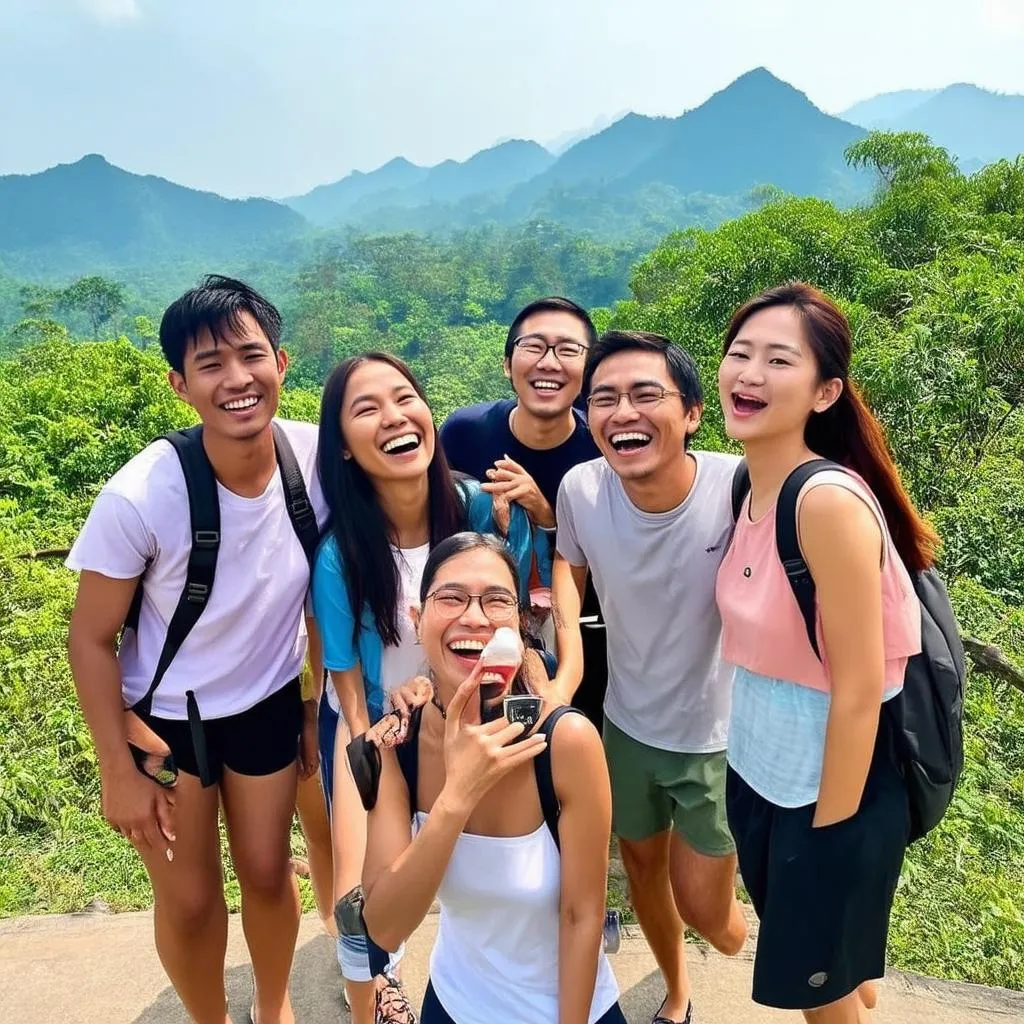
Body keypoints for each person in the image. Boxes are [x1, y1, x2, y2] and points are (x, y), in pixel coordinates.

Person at [66, 275, 328, 1024]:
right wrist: (116, 766)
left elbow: (336, 584)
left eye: (251, 356)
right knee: (188, 902)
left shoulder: (313, 460)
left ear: (281, 361)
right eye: (210, 365)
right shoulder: (142, 494)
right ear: (180, 385)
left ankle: (272, 1010)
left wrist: (311, 701)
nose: (237, 379)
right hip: (164, 723)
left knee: (271, 875)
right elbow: (89, 637)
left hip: (269, 705)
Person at [715, 282, 929, 1023]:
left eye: (778, 360)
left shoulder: (825, 502)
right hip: (759, 773)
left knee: (822, 1000)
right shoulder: (749, 486)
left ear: (825, 391)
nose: (748, 374)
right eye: (739, 353)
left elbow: (861, 687)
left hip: (826, 792)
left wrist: (828, 842)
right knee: (832, 970)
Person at [311, 353, 539, 1023]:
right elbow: (348, 686)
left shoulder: (476, 507)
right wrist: (368, 760)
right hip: (375, 728)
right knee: (358, 899)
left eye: (404, 397)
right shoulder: (341, 552)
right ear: (345, 449)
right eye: (366, 409)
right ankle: (372, 994)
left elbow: (516, 614)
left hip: (458, 717)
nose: (393, 417)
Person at [552, 331, 748, 1024]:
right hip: (626, 724)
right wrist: (569, 663)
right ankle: (676, 988)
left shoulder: (739, 487)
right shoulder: (581, 488)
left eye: (645, 395)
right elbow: (567, 573)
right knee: (640, 873)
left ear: (693, 412)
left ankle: (764, 934)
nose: (622, 412)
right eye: (603, 398)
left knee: (708, 912)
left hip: (717, 736)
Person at [358, 532, 625, 1023]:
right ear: (417, 622)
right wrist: (456, 797)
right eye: (451, 597)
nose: (474, 617)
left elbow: (582, 915)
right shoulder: (400, 744)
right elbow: (384, 927)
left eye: (497, 600)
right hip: (454, 1004)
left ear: (520, 626)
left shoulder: (565, 743)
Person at [439, 296, 608, 722]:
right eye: (534, 346)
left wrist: (545, 513)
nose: (549, 362)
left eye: (568, 350)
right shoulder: (464, 434)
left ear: (588, 372)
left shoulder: (604, 447)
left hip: (581, 641)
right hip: (476, 634)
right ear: (507, 363)